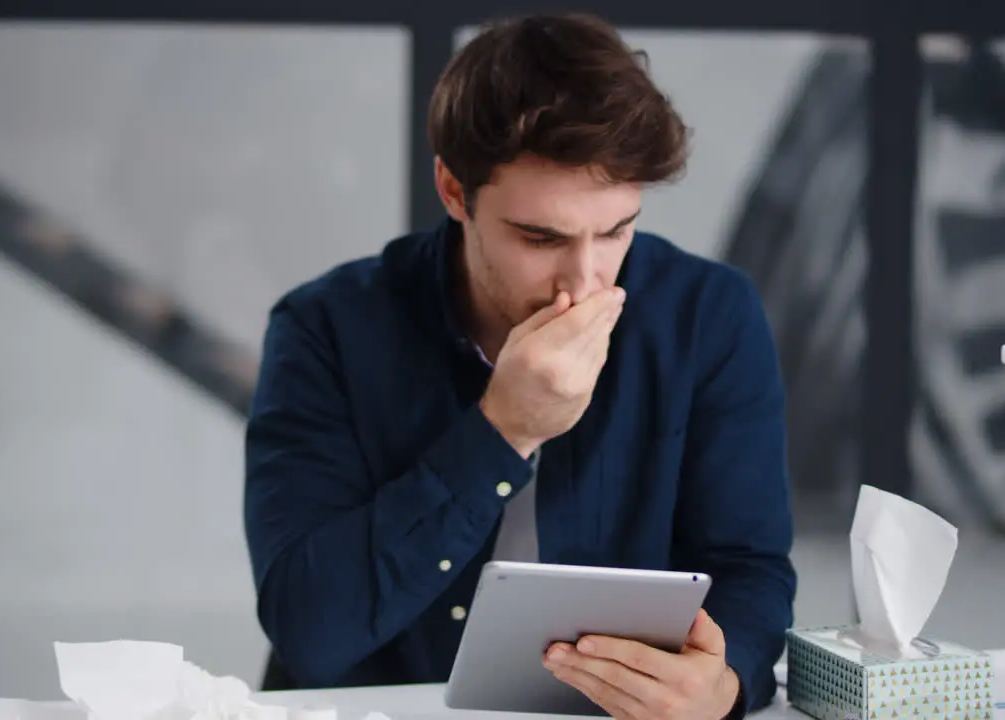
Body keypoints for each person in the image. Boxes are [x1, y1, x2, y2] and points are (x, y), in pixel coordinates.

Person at [243, 12, 796, 719]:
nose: (586, 281)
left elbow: (747, 571)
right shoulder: (325, 329)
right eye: (541, 237)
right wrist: (504, 431)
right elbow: (311, 631)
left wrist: (726, 683)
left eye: (617, 230)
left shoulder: (709, 317)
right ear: (453, 191)